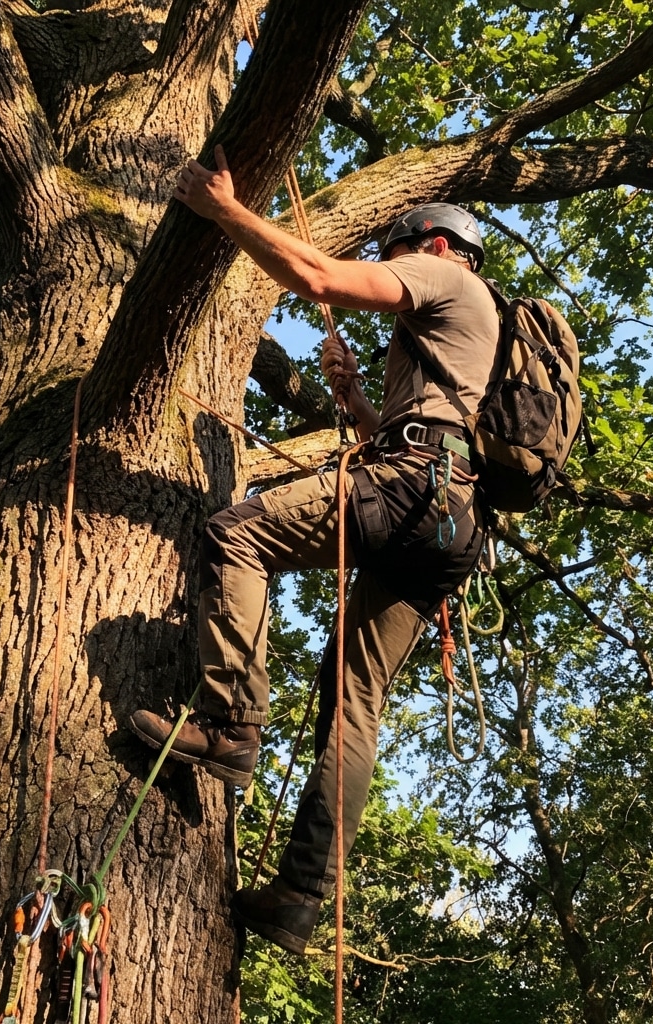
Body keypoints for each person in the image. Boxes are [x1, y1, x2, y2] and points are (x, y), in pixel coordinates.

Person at [130, 145, 499, 955]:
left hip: (410, 488)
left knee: (237, 533)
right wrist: (358, 399)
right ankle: (301, 895)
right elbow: (411, 431)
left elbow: (322, 279)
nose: (392, 268)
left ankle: (232, 726)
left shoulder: (447, 277)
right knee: (352, 698)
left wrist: (224, 210)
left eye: (398, 253)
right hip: (446, 521)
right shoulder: (462, 333)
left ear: (431, 243)